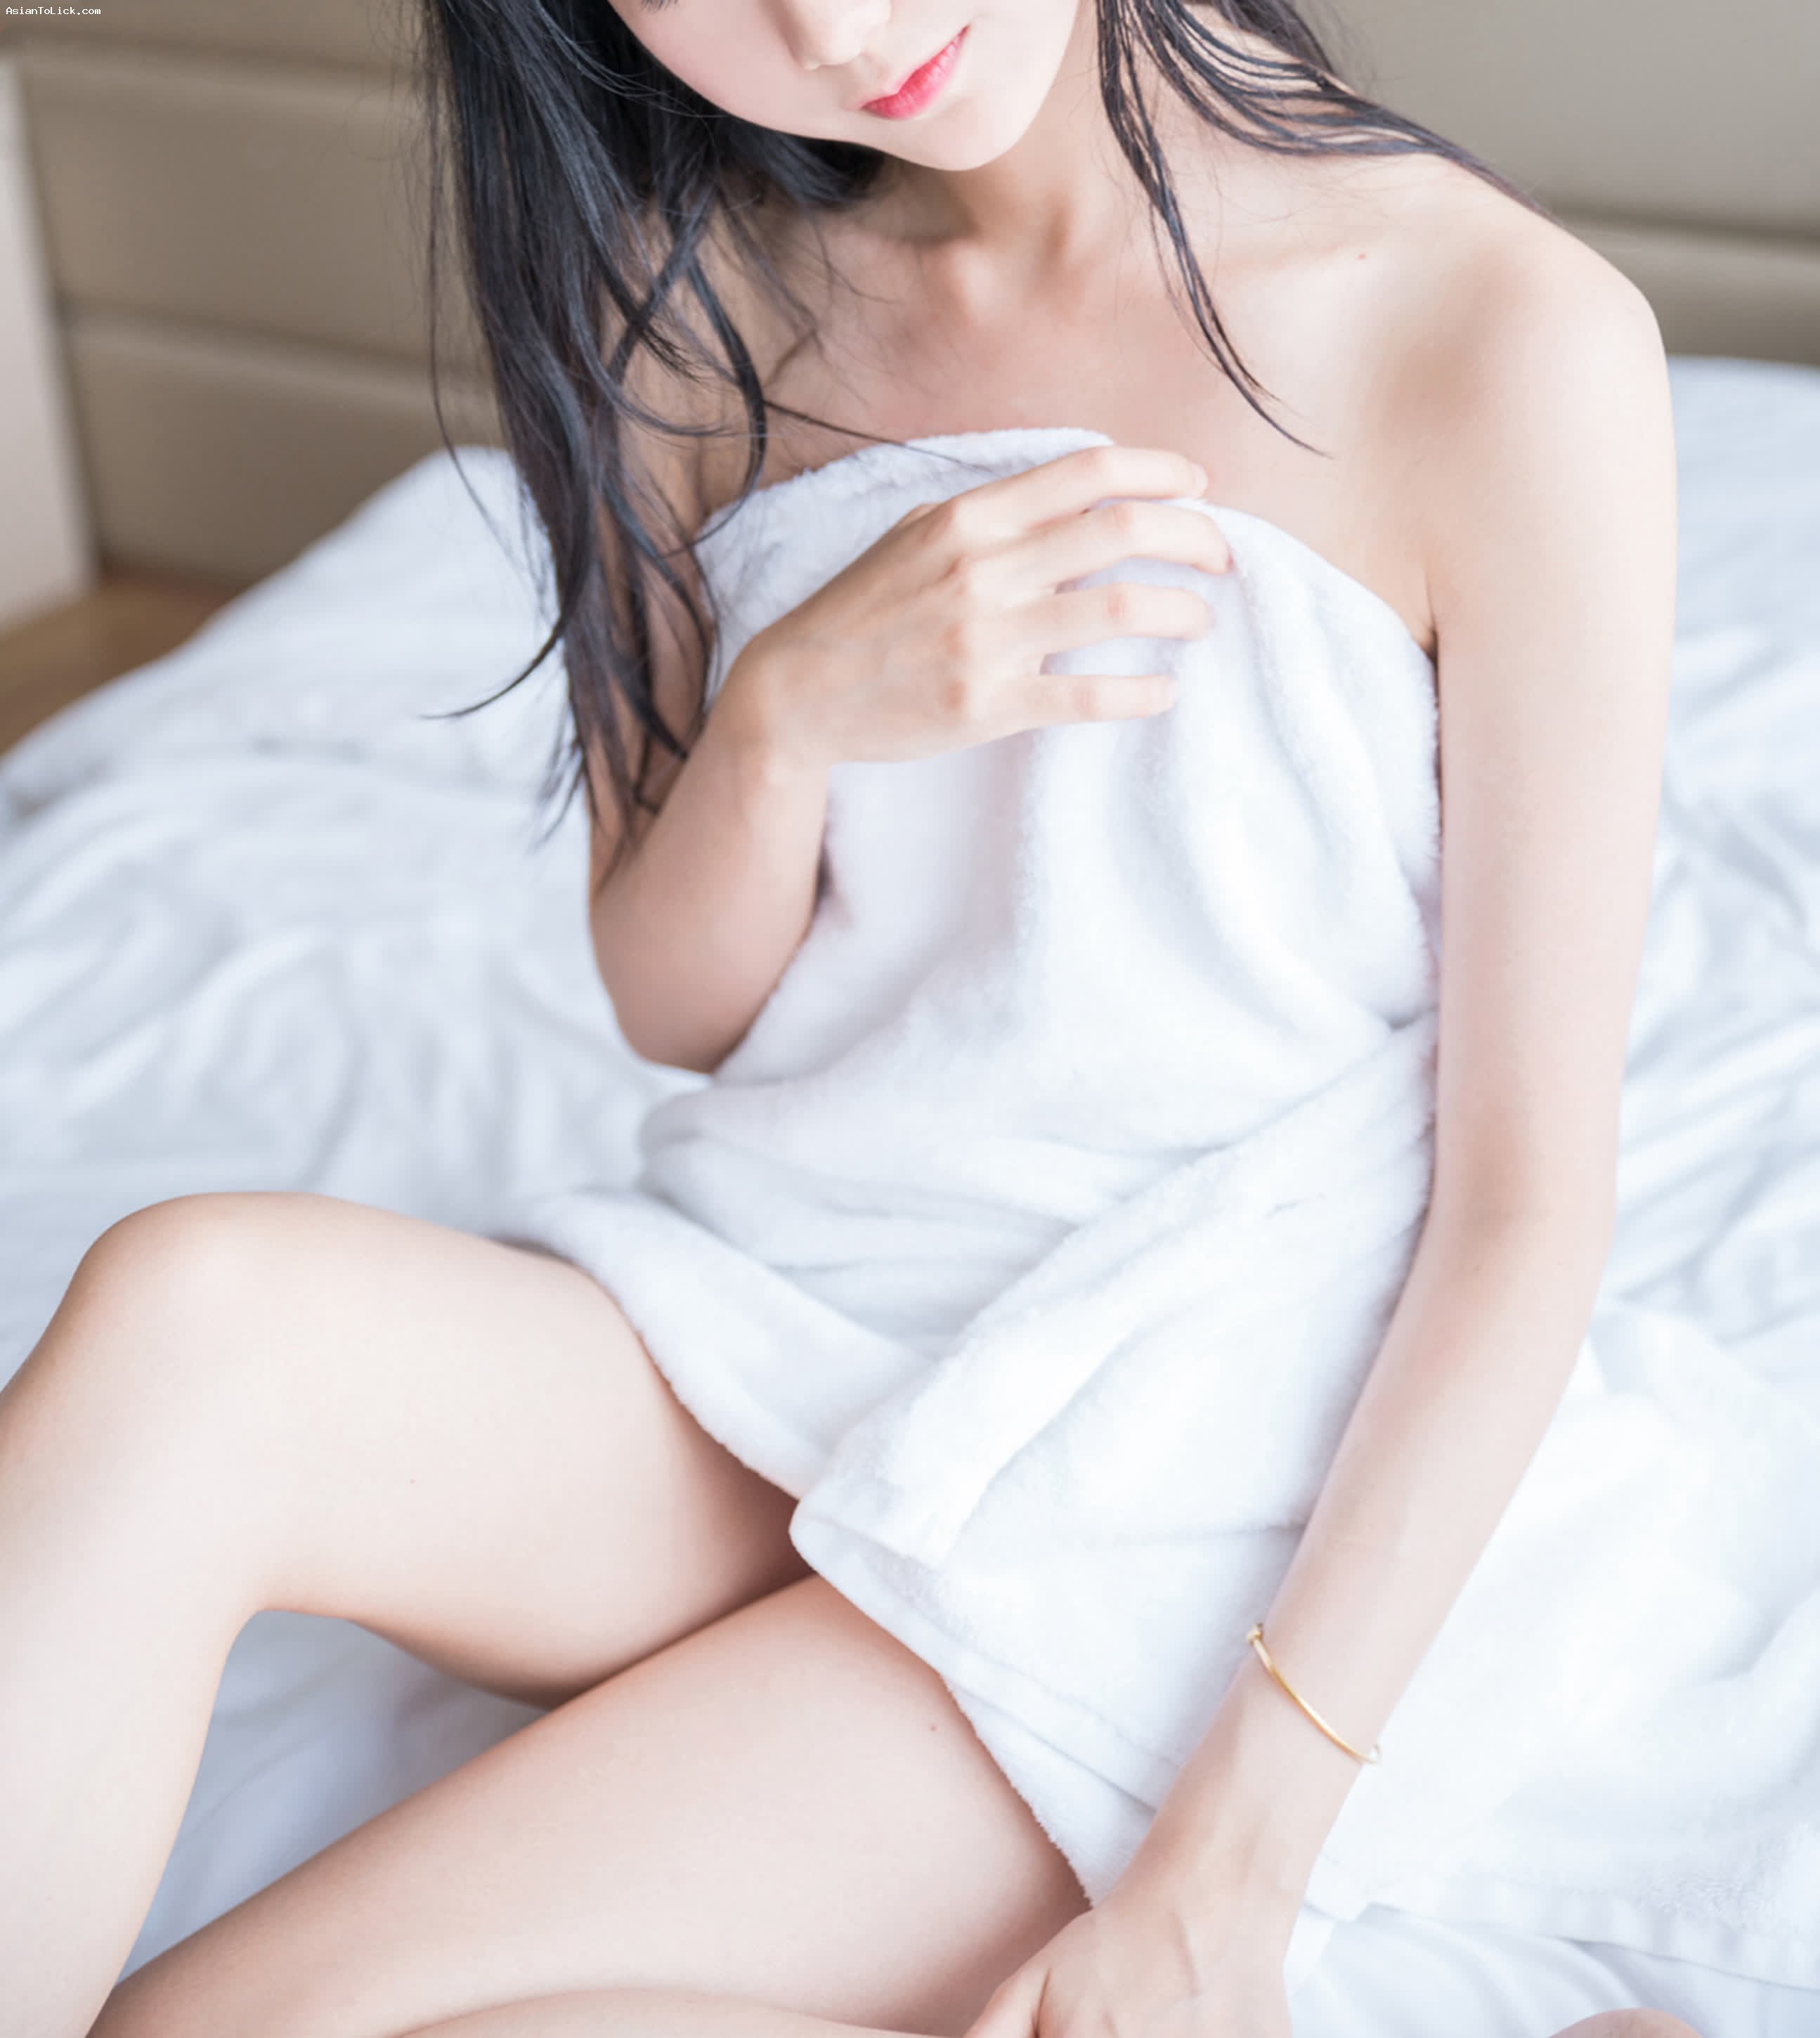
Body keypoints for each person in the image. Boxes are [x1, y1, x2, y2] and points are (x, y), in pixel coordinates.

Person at [0, 0, 1713, 2034]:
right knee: (185, 1317)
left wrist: (1226, 1872)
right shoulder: (696, 309)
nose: (830, 25)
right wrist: (791, 712)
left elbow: (1525, 1208)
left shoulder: (1504, 341)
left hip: (1191, 1442)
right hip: (793, 1311)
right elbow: (676, 1001)